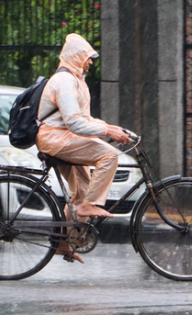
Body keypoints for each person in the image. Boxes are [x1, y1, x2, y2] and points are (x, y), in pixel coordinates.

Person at [36, 33, 130, 263]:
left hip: (65, 138)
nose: (90, 62)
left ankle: (61, 244)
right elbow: (74, 123)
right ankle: (90, 205)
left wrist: (109, 127)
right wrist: (108, 132)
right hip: (56, 139)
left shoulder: (77, 81)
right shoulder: (64, 82)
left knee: (83, 189)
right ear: (76, 56)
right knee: (108, 154)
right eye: (88, 57)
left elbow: (83, 119)